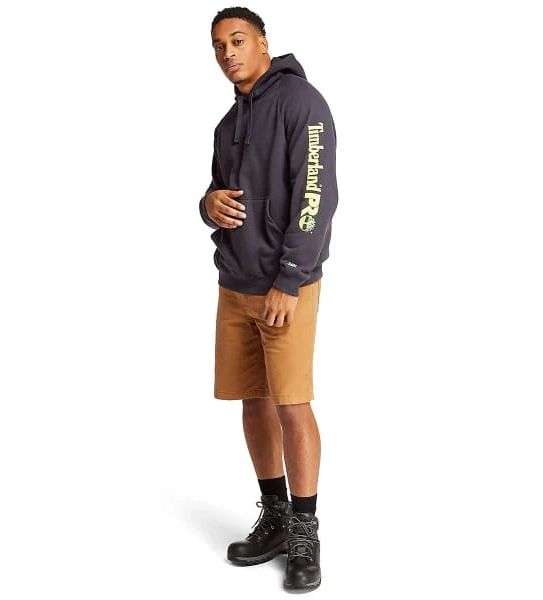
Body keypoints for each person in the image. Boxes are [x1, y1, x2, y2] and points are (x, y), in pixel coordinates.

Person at [199, 6, 338, 592]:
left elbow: (316, 195)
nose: (227, 53)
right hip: (235, 284)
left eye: (237, 40)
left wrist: (291, 277)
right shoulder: (226, 123)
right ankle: (276, 517)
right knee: (253, 402)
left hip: (285, 287)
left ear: (262, 42)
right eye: (218, 46)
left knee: (292, 405)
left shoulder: (302, 103)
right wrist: (207, 204)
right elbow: (219, 193)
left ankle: (305, 534)